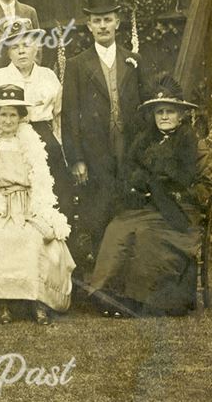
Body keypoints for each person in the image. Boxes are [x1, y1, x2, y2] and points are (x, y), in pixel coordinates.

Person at [88, 76, 205, 316]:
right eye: (159, 112)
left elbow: (184, 176)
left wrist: (156, 181)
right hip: (149, 205)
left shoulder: (188, 140)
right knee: (118, 227)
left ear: (180, 115)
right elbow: (132, 172)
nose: (164, 117)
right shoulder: (145, 139)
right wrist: (141, 184)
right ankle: (108, 294)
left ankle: (139, 300)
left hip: (177, 208)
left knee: (147, 236)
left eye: (170, 112)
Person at [0, 85, 75, 325]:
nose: (8, 120)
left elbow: (45, 182)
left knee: (38, 239)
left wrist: (40, 207)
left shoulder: (32, 143)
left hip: (29, 204)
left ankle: (39, 303)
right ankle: (4, 303)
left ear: (22, 117)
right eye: (3, 114)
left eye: (13, 114)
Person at [61, 0, 147, 261]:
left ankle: (127, 285)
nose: (102, 25)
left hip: (129, 150)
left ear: (117, 23)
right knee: (98, 215)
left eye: (107, 19)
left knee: (129, 213)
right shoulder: (77, 64)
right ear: (89, 26)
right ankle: (101, 288)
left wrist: (144, 154)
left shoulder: (134, 61)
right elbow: (70, 114)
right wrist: (76, 159)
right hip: (95, 153)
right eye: (97, 21)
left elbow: (146, 110)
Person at [0, 25, 69, 215]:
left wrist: (59, 143)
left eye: (26, 45)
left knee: (55, 190)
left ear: (36, 46)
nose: (21, 51)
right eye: (14, 47)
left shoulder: (48, 76)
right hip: (9, 138)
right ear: (7, 51)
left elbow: (58, 114)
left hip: (44, 135)